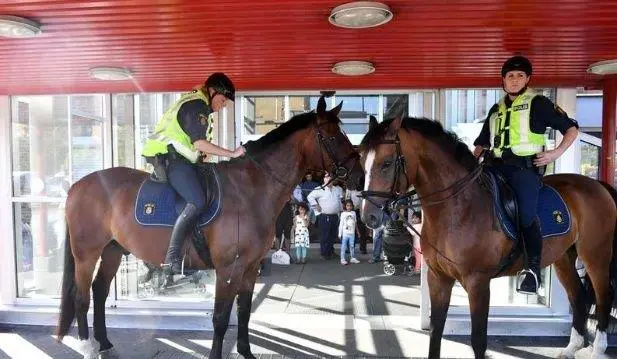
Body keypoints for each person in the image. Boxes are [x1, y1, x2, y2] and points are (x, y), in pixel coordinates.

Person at [472, 55, 579, 294]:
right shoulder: (495, 109)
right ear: (503, 80)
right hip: (494, 168)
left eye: (520, 75)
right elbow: (482, 143)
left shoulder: (538, 103)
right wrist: (470, 163)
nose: (515, 79)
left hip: (524, 171)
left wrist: (555, 153)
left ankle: (532, 271)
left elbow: (571, 129)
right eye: (510, 75)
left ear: (528, 79)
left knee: (526, 214)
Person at [142, 72, 246, 287]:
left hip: (182, 159)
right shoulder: (197, 105)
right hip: (170, 159)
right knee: (196, 201)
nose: (223, 105)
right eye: (223, 100)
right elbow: (198, 142)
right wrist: (231, 154)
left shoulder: (199, 105)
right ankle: (171, 262)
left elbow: (193, 146)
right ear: (212, 91)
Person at [307, 172, 343, 260]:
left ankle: (331, 251)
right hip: (324, 215)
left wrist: (341, 212)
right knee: (325, 235)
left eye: (330, 177)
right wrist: (316, 206)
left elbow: (340, 201)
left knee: (332, 235)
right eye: (326, 177)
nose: (328, 179)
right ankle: (324, 253)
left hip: (335, 215)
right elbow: (309, 197)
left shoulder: (338, 189)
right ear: (324, 179)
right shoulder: (319, 189)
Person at [338, 200, 361, 265]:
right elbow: (341, 224)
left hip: (352, 233)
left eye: (350, 206)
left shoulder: (353, 213)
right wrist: (340, 234)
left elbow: (355, 223)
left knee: (352, 246)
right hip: (345, 233)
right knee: (343, 246)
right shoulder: (343, 214)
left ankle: (352, 258)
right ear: (345, 206)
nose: (349, 207)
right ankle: (342, 259)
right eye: (347, 205)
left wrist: (358, 232)